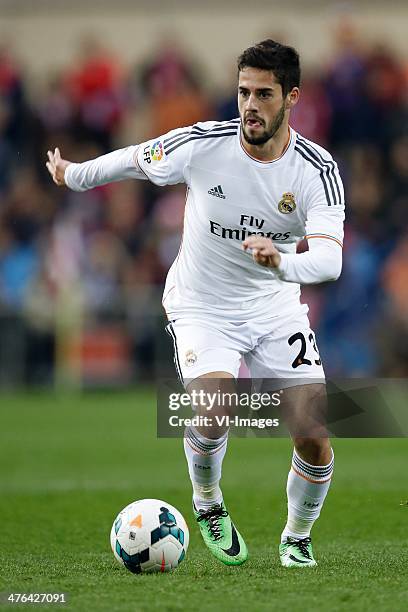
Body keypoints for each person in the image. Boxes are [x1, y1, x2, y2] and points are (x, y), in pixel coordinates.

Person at [46, 39, 345, 568]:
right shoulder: (204, 144)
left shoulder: (316, 172)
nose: (250, 105)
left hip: (276, 307)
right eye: (243, 92)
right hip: (202, 305)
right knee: (213, 405)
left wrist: (282, 264)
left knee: (315, 436)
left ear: (292, 97)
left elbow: (327, 262)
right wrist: (75, 175)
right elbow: (136, 160)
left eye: (264, 94)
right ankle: (207, 502)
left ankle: (297, 536)